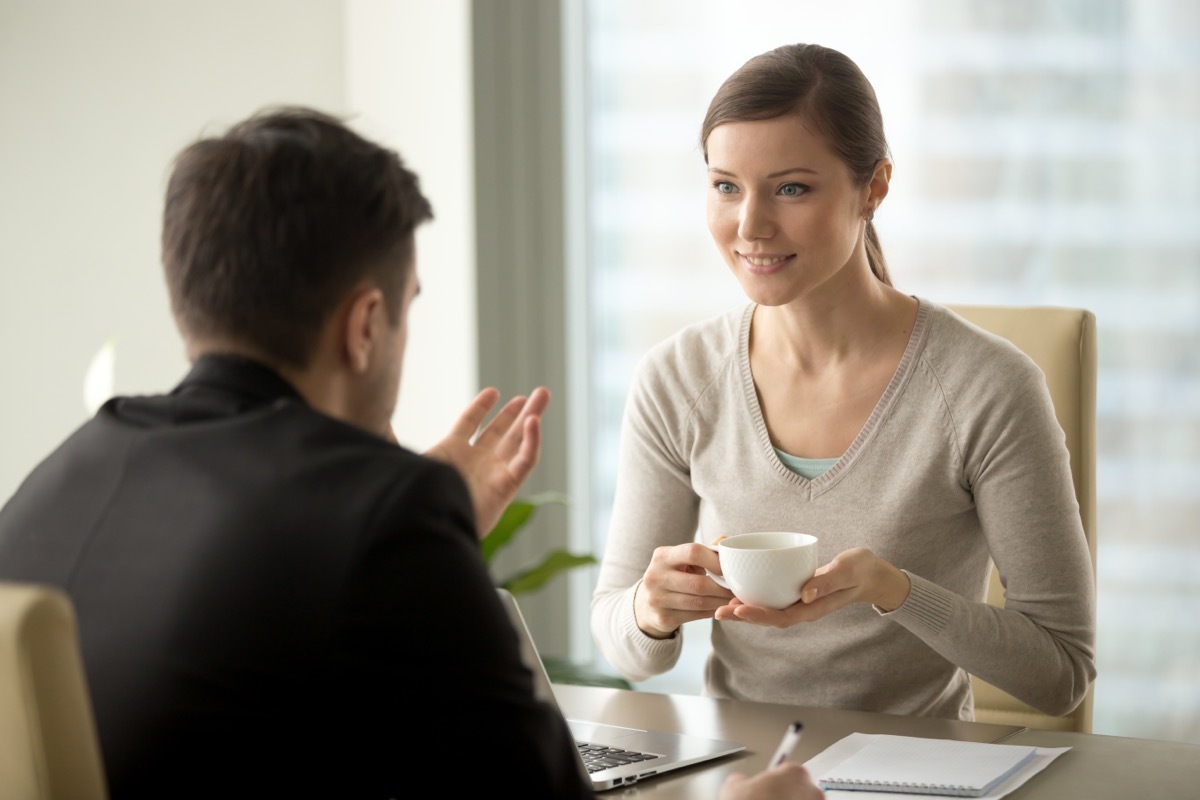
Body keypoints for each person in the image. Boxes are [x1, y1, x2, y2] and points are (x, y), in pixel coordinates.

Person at [0, 106, 823, 800]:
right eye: (406, 310)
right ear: (364, 327)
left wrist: (422, 518)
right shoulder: (384, 512)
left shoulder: (62, 473)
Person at [590, 43, 1096, 723]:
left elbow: (1062, 674)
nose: (750, 227)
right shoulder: (676, 380)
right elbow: (629, 650)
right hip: (744, 778)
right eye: (725, 186)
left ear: (874, 188)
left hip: (918, 776)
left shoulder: (988, 388)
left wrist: (896, 592)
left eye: (791, 188)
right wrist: (649, 613)